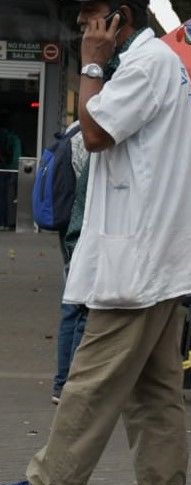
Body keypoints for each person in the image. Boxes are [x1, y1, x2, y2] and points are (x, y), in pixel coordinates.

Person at [0, 0, 191, 485]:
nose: (81, 24)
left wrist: (92, 63)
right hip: (155, 255)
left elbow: (94, 133)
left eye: (91, 14)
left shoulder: (144, 65)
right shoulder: (154, 65)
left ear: (119, 17)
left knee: (91, 379)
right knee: (154, 390)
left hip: (140, 260)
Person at [51, 120, 90, 404]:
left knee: (70, 307)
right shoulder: (91, 136)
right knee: (83, 309)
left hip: (67, 230)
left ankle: (61, 383)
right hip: (83, 231)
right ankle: (70, 385)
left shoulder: (71, 132)